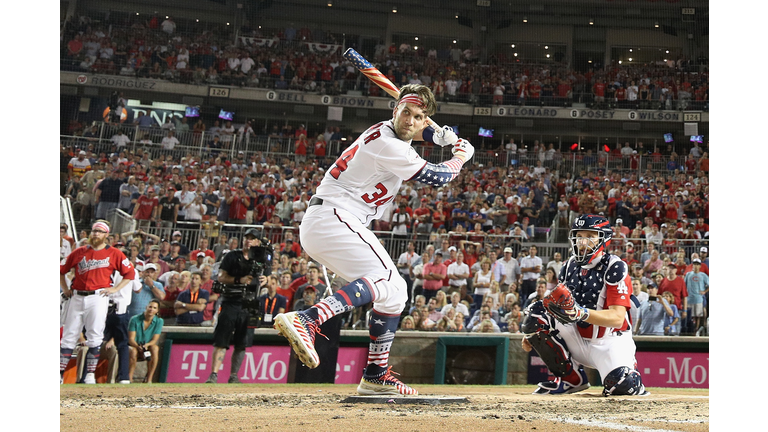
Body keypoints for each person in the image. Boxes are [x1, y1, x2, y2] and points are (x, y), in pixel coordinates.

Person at [273, 84, 472, 396]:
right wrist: (460, 155)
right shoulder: (387, 144)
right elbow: (438, 176)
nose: (409, 119)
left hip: (332, 222)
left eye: (418, 116)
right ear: (394, 111)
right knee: (384, 277)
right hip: (334, 217)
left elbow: (414, 134)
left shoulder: (389, 134)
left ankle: (376, 374)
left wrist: (439, 137)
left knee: (395, 294)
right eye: (405, 112)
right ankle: (308, 318)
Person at [521, 214, 648, 396]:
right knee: (535, 313)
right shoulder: (568, 265)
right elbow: (554, 306)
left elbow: (617, 318)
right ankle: (570, 380)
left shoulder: (615, 266)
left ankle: (628, 371)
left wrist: (580, 313)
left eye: (590, 236)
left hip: (609, 340)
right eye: (580, 236)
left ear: (603, 239)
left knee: (622, 385)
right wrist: (534, 333)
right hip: (577, 336)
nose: (583, 241)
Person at [60, 220, 136, 384]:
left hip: (98, 296)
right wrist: (65, 288)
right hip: (77, 296)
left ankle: (89, 375)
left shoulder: (114, 253)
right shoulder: (79, 251)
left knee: (95, 335)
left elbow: (129, 273)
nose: (96, 234)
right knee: (69, 335)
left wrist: (115, 289)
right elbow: (61, 270)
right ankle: (59, 374)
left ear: (106, 235)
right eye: (94, 231)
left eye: (100, 231)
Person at [205, 228, 272, 384]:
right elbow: (221, 276)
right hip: (231, 300)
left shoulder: (262, 259)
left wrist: (265, 280)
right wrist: (239, 280)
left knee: (242, 343)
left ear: (257, 242)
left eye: (252, 238)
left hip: (250, 303)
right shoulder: (232, 256)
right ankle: (214, 374)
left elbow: (267, 278)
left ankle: (234, 375)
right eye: (246, 237)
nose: (248, 241)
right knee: (221, 340)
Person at [127, 299, 164, 383]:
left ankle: (149, 379)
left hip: (147, 346)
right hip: (134, 345)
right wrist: (137, 346)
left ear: (157, 310)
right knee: (133, 351)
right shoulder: (135, 319)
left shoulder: (159, 321)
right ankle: (129, 378)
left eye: (154, 308)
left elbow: (155, 339)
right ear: (146, 307)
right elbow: (131, 339)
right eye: (150, 307)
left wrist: (146, 345)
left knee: (155, 348)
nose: (151, 309)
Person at [683, 258, 709, 335]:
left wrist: (704, 291)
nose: (695, 266)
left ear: (700, 266)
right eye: (694, 264)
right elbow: (684, 285)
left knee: (698, 315)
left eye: (697, 264)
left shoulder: (703, 275)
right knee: (691, 316)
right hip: (689, 298)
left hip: (698, 298)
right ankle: (690, 329)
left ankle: (696, 330)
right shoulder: (688, 274)